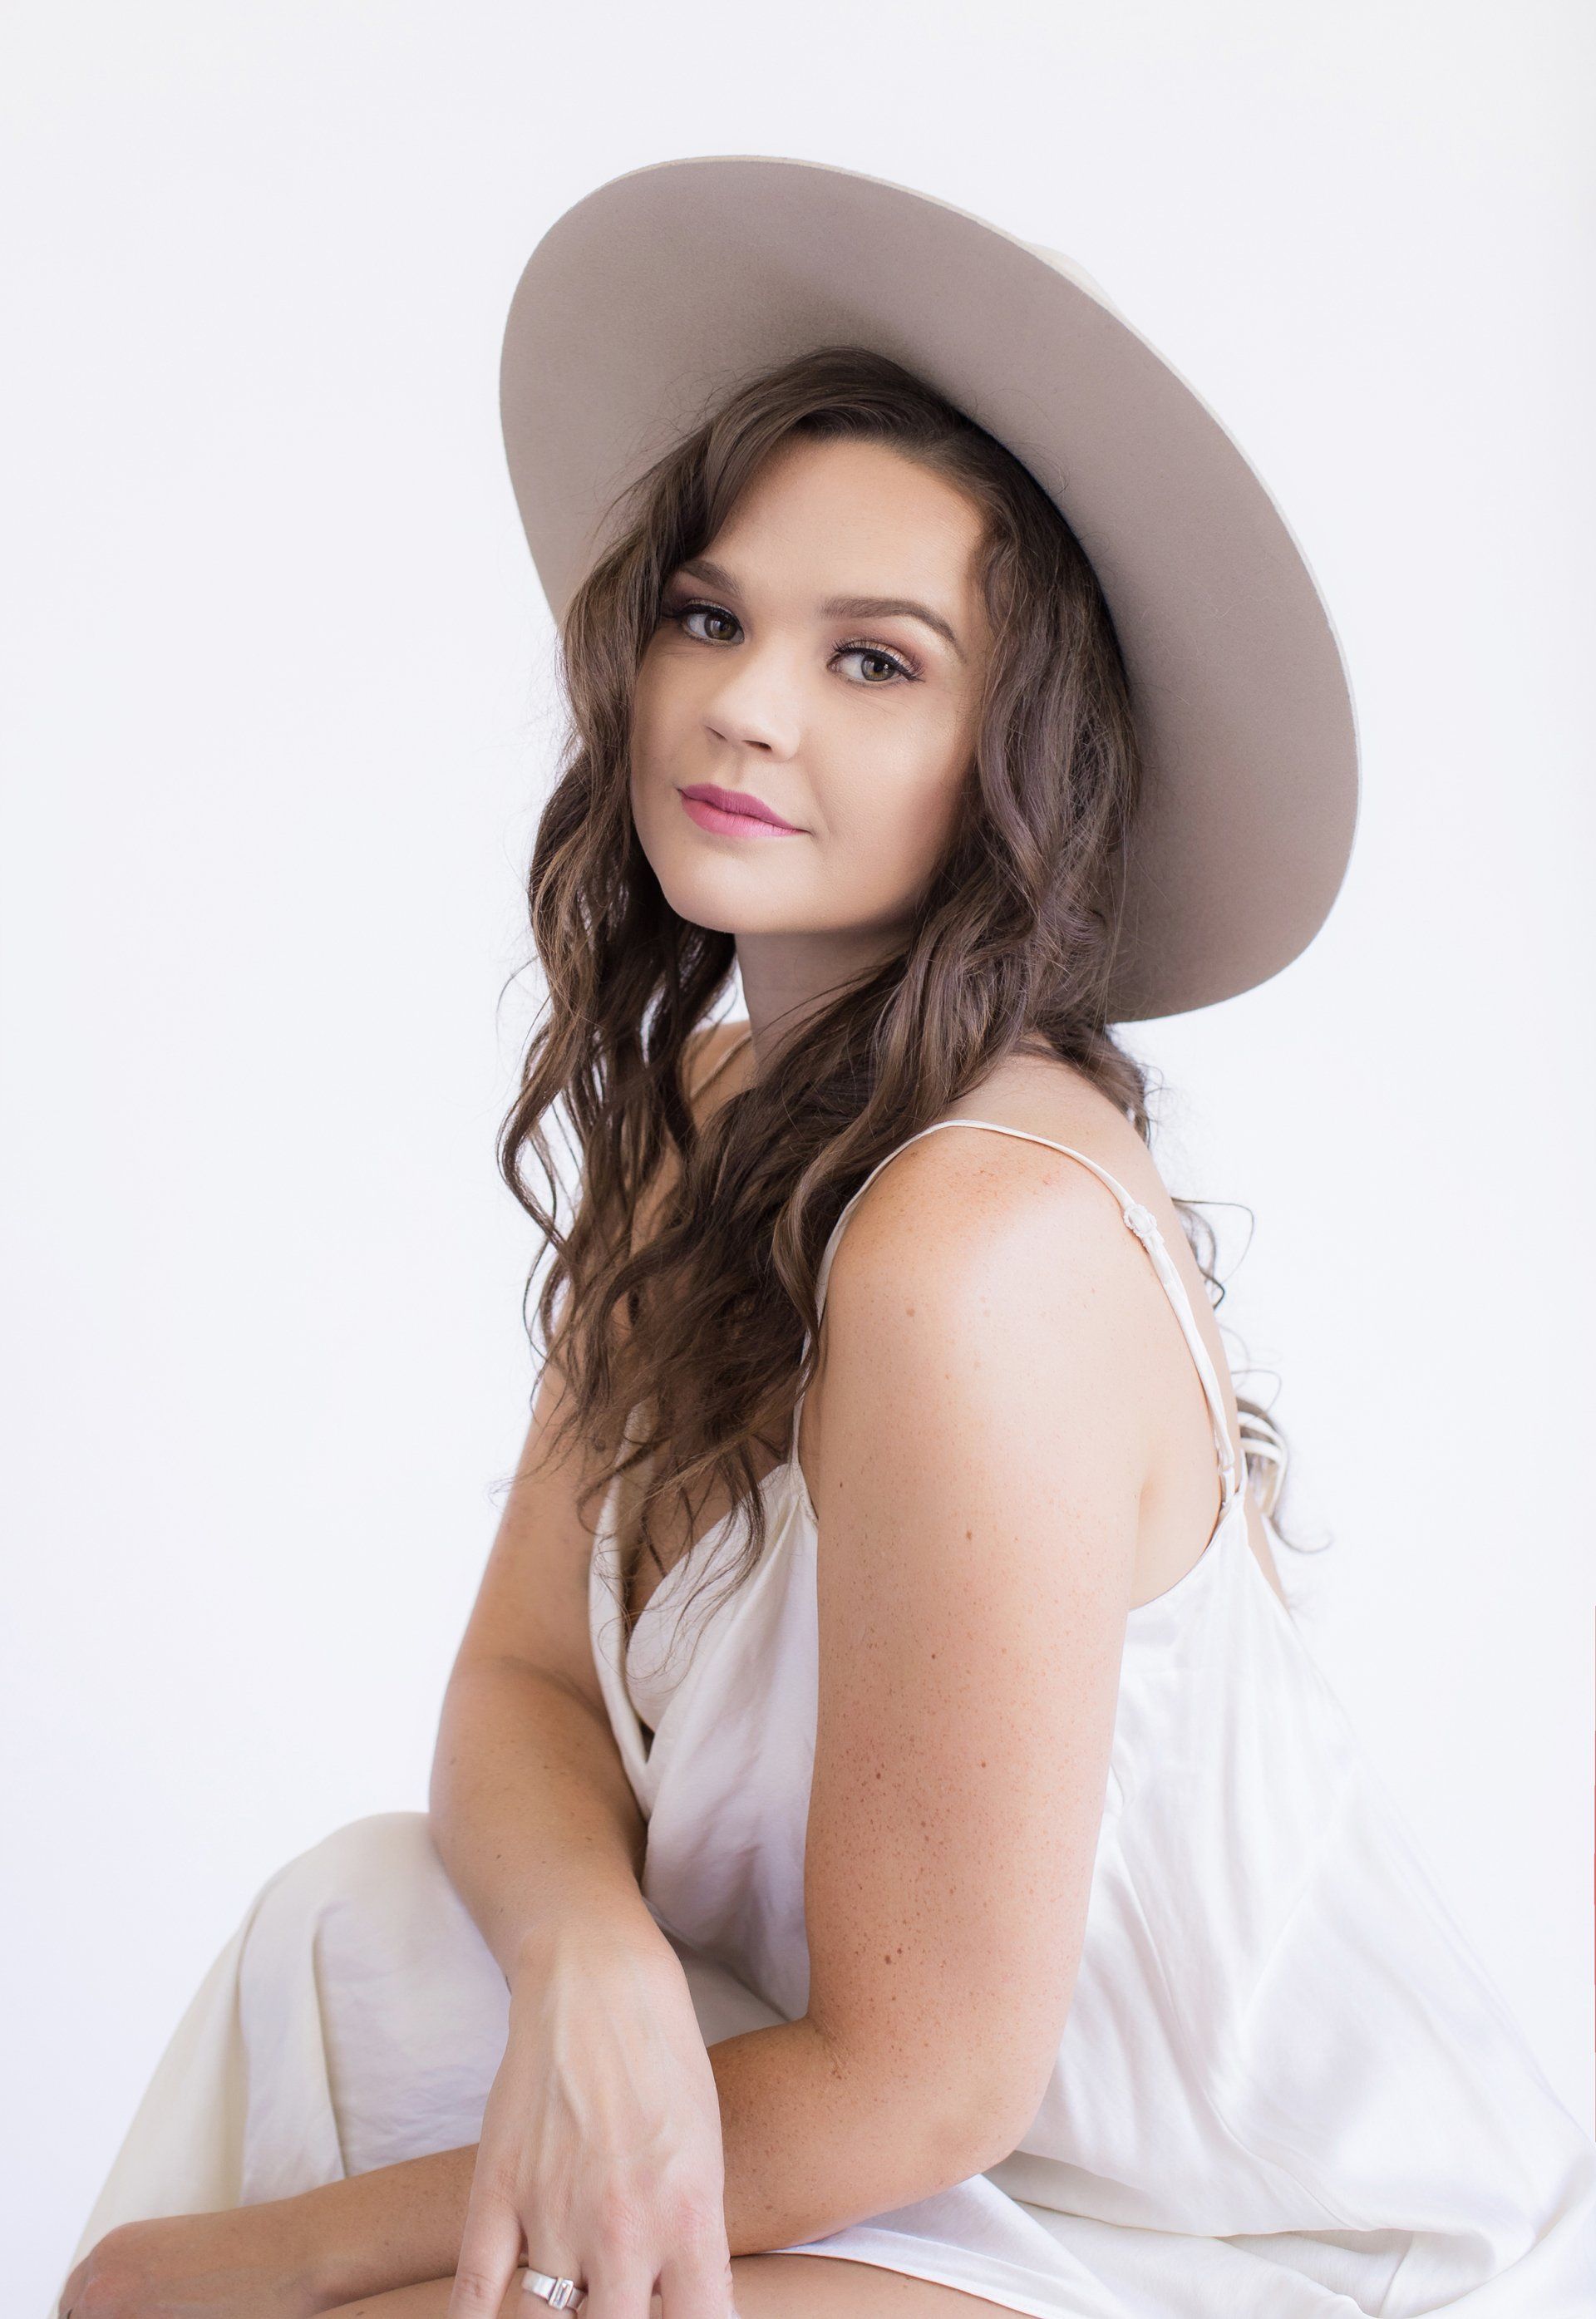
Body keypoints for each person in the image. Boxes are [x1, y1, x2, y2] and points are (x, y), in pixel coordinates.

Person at [52, 157, 1596, 2319]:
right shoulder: (714, 1124)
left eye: (874, 658)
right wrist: (590, 1966)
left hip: (1199, 2245)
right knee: (356, 1914)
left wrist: (270, 2260)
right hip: (883, 2128)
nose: (746, 704)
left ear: (1016, 761)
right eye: (712, 614)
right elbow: (513, 1689)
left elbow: (925, 2080)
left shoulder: (977, 1249)